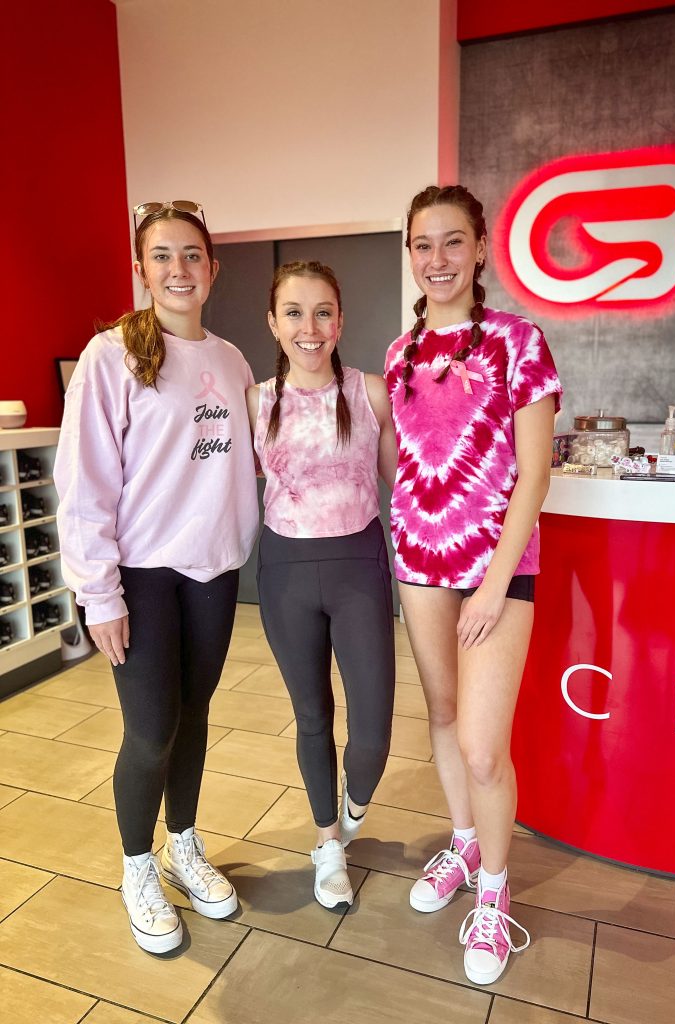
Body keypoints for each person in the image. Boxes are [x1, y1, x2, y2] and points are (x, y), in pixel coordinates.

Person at [54, 201, 259, 954]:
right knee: (151, 732)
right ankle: (137, 865)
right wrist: (97, 594)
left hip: (212, 571)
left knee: (195, 716)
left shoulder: (233, 360)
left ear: (212, 268)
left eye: (193, 255)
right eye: (163, 256)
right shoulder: (111, 357)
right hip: (139, 577)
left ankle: (184, 844)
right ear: (141, 270)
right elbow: (83, 488)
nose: (180, 269)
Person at [384, 185, 562, 984]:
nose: (438, 259)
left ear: (482, 249)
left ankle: (495, 890)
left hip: (497, 571)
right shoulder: (399, 354)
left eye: (453, 242)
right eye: (423, 244)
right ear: (411, 254)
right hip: (420, 563)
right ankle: (462, 845)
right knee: (444, 715)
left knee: (485, 746)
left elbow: (534, 476)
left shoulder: (519, 342)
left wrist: (493, 586)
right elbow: (403, 462)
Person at [248, 260, 397, 910]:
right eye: (293, 312)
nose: (310, 328)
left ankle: (354, 810)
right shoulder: (254, 400)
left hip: (359, 566)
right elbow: (213, 480)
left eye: (323, 312)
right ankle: (328, 842)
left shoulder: (372, 392)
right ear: (273, 322)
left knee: (371, 734)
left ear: (341, 318)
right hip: (284, 572)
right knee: (313, 718)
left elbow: (406, 482)